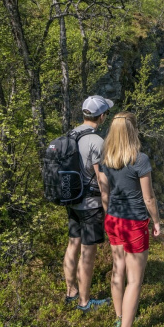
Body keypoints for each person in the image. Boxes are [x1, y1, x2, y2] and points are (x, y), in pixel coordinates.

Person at [98, 111, 161, 327]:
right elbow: (149, 198)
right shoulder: (139, 159)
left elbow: (104, 193)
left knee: (118, 269)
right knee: (134, 280)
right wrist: (157, 222)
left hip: (113, 219)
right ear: (133, 131)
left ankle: (118, 317)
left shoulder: (106, 158)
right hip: (134, 222)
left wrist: (110, 214)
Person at [63, 95, 114, 312]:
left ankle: (70, 292)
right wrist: (108, 210)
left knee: (73, 244)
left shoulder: (70, 135)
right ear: (101, 116)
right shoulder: (97, 142)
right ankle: (84, 303)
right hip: (91, 204)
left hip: (71, 200)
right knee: (88, 252)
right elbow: (102, 179)